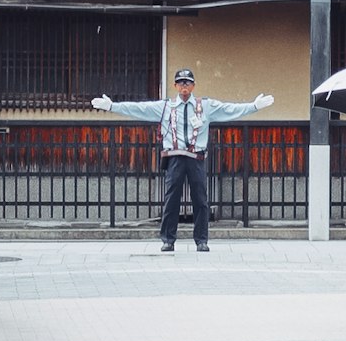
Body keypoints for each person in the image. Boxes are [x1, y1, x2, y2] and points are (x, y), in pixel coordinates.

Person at [90, 65, 275, 253]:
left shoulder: (206, 106)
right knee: (171, 200)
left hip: (196, 158)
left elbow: (229, 110)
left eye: (187, 83)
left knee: (201, 200)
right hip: (175, 157)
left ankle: (201, 240)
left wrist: (253, 107)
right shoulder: (165, 107)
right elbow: (139, 109)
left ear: (193, 86)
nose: (184, 87)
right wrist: (113, 106)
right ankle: (168, 240)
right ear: (175, 86)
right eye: (180, 83)